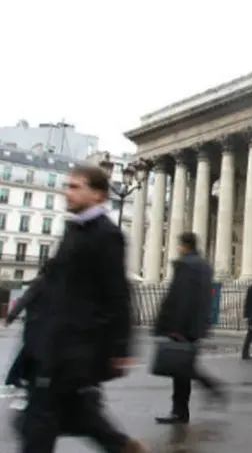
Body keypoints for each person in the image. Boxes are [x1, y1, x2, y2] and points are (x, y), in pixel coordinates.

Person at [19, 164, 146, 452]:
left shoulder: (106, 234)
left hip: (73, 348)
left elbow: (117, 293)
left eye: (75, 187)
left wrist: (120, 347)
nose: (67, 193)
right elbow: (53, 281)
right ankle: (123, 446)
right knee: (77, 417)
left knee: (40, 424)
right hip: (52, 344)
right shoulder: (75, 229)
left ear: (98, 195)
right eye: (67, 186)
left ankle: (121, 444)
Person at [154, 231, 226, 425]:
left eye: (179, 245)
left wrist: (170, 325)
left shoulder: (186, 265)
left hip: (182, 326)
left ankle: (183, 408)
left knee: (181, 369)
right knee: (184, 368)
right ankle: (182, 409)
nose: (178, 249)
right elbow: (204, 298)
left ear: (185, 246)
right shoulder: (204, 266)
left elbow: (179, 298)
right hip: (194, 326)